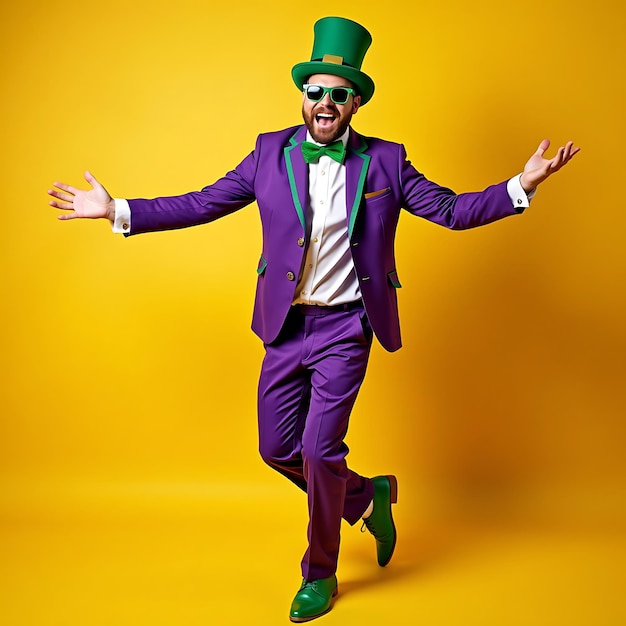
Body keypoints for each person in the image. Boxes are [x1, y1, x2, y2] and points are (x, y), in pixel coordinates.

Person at [48, 16, 579, 623]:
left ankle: (319, 573)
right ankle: (367, 495)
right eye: (315, 91)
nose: (325, 102)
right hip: (286, 326)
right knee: (277, 448)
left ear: (355, 101)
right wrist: (116, 209)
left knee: (319, 449)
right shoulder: (267, 153)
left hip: (347, 329)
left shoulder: (386, 163)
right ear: (304, 97)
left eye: (338, 92)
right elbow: (201, 203)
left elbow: (454, 211)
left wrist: (521, 185)